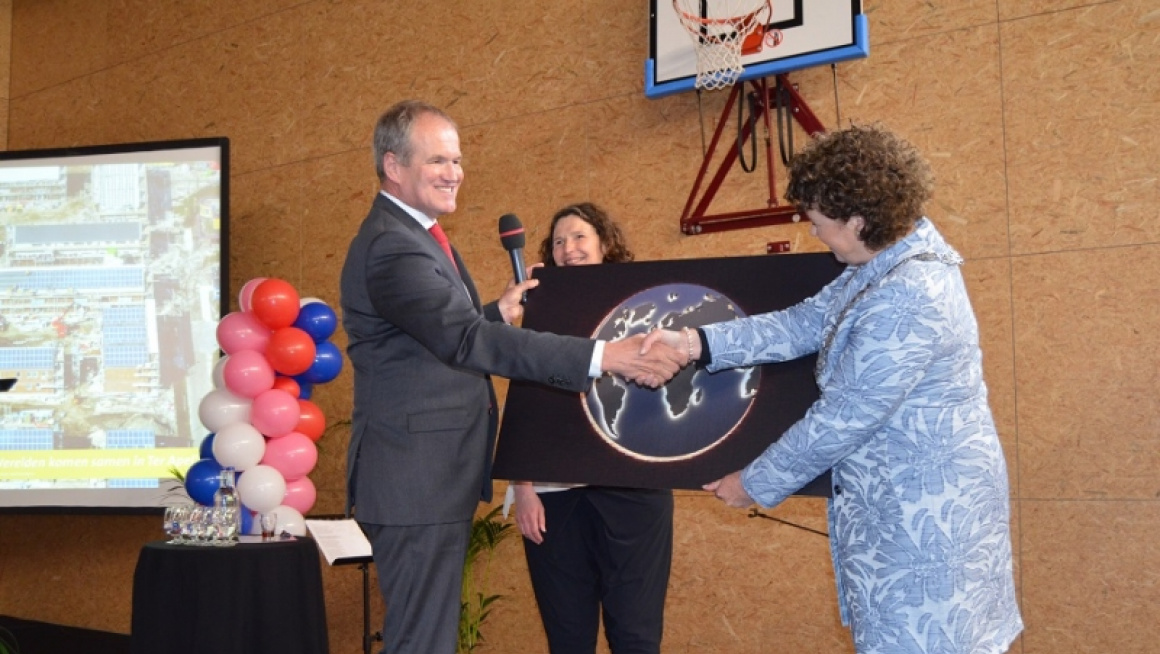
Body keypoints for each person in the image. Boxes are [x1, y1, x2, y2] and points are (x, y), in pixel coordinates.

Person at [644, 124, 1023, 654]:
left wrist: (754, 482)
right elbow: (801, 324)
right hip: (901, 508)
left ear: (860, 221)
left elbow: (844, 417)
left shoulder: (909, 295)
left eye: (820, 223)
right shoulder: (881, 265)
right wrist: (693, 343)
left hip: (928, 521)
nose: (815, 234)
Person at [339, 100, 684, 654]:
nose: (454, 172)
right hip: (414, 482)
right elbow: (465, 342)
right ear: (394, 166)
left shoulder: (417, 236)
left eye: (457, 159)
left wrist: (496, 312)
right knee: (422, 641)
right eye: (437, 161)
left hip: (427, 481)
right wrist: (604, 358)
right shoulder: (392, 246)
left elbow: (438, 333)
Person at [508, 202, 673, 654]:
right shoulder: (537, 309)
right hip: (554, 498)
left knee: (636, 636)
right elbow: (527, 398)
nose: (568, 248)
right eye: (559, 241)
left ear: (605, 244)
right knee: (568, 639)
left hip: (633, 489)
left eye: (579, 237)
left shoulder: (645, 304)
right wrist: (524, 488)